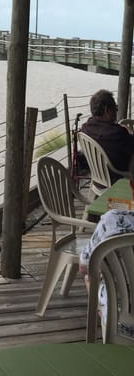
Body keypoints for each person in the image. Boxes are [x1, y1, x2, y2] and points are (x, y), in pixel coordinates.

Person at [79, 156, 134, 339]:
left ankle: (104, 315)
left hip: (121, 320)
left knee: (90, 274)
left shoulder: (112, 220)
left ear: (131, 187)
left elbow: (84, 266)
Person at [81, 89, 134, 180]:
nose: (117, 109)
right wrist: (130, 131)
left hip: (99, 176)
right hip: (119, 176)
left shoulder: (86, 128)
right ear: (107, 110)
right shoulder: (117, 133)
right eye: (114, 107)